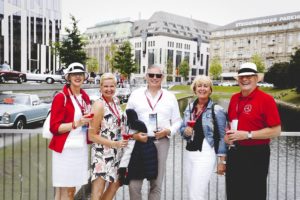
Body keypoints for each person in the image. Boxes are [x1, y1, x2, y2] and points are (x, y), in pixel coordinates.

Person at [225, 62, 281, 200]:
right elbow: (230, 124)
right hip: (234, 153)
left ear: (256, 79)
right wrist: (227, 136)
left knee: (254, 193)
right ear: (238, 80)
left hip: (256, 153)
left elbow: (276, 131)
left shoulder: (266, 99)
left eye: (249, 76)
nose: (245, 79)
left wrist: (248, 135)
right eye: (242, 77)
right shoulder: (234, 99)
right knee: (233, 193)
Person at [126, 64, 182, 200]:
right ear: (146, 76)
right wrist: (134, 135)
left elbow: (178, 121)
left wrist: (168, 130)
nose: (154, 78)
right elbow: (126, 120)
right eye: (151, 75)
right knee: (134, 184)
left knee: (156, 184)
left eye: (158, 75)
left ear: (163, 77)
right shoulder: (135, 95)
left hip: (161, 142)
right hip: (139, 142)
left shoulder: (170, 97)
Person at [49, 62, 93, 200]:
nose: (78, 77)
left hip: (80, 148)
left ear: (84, 77)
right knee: (63, 189)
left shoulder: (85, 97)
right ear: (68, 77)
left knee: (72, 188)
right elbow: (54, 128)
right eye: (74, 74)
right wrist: (76, 123)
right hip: (64, 150)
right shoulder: (60, 97)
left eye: (80, 74)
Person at [180, 75, 227, 200]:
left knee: (196, 195)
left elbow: (223, 136)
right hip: (190, 154)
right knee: (191, 192)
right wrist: (185, 131)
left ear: (210, 90)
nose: (202, 88)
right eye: (199, 86)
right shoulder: (190, 108)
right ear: (194, 89)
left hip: (206, 154)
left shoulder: (217, 109)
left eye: (205, 86)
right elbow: (181, 129)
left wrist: (222, 161)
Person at [88, 72, 128, 200]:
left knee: (115, 185)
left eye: (112, 86)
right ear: (100, 87)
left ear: (116, 87)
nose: (109, 89)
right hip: (102, 154)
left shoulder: (115, 101)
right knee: (97, 193)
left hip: (117, 153)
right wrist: (113, 144)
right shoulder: (99, 105)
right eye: (106, 86)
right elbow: (91, 135)